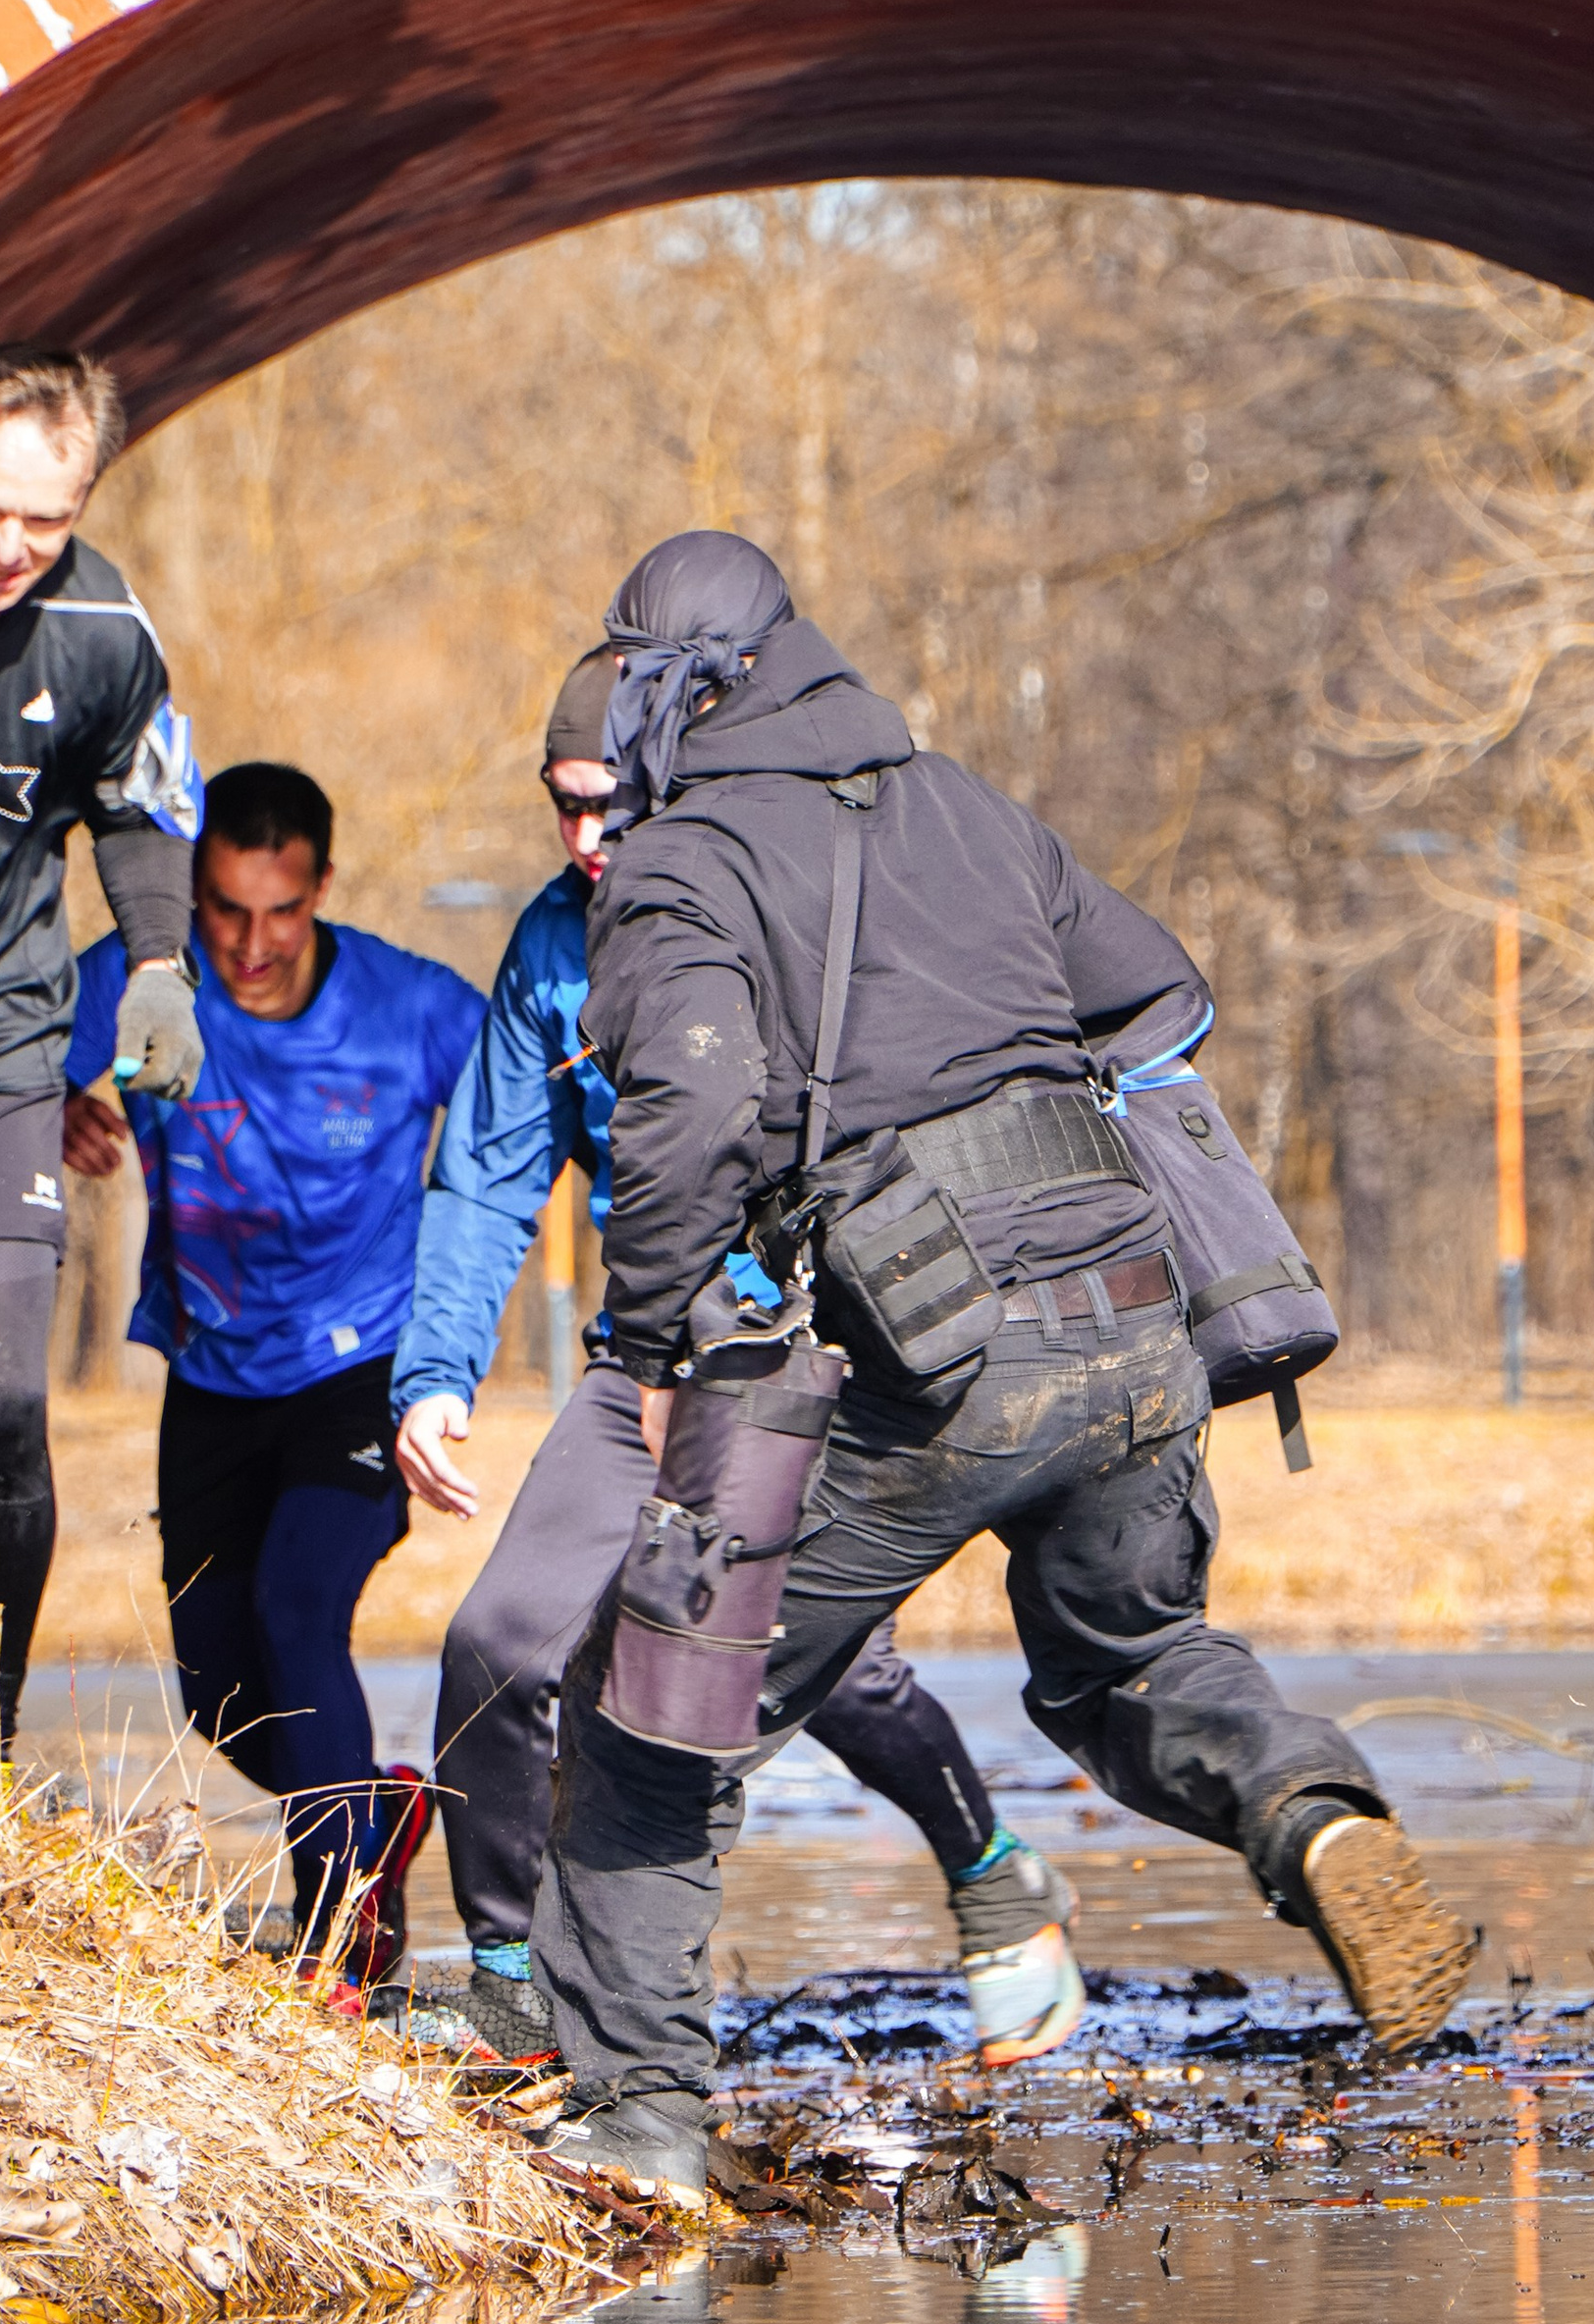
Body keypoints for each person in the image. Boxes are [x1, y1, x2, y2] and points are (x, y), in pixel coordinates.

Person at [532, 530, 1475, 2204]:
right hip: (1132, 1316)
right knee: (1131, 1662)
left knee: (655, 1719)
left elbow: (684, 1104)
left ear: (683, 688)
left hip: (926, 1357)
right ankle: (1310, 1812)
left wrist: (660, 1340)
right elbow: (1160, 993)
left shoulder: (687, 866)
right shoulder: (966, 804)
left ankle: (635, 2126)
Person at [390, 650, 1078, 2071]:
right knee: (500, 1646)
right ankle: (518, 1993)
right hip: (641, 1358)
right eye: (561, 808)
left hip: (800, 1353)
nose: (585, 841)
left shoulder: (780, 899)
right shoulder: (547, 950)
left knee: (813, 1669)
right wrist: (436, 1371)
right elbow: (487, 1176)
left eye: (610, 807)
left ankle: (994, 1871)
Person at [64, 761, 484, 1997]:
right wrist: (47, 1113)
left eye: (279, 912)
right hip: (212, 1372)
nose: (249, 946)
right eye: (223, 912)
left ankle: (340, 1946)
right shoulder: (145, 984)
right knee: (215, 1691)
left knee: (301, 1613)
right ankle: (374, 1819)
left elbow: (540, 1116)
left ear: (321, 892)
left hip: (363, 1373)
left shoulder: (409, 1009)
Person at [0, 343, 204, 1778]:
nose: (8, 548)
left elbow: (141, 809)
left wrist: (157, 965)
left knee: (2, 1400)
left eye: (45, 519)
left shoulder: (100, 627)